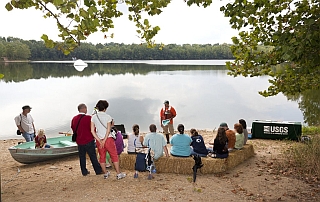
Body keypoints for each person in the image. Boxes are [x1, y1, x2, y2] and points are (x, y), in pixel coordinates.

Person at [91, 100, 126, 180]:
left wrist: (99, 140)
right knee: (114, 156)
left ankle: (105, 173)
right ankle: (118, 173)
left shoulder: (93, 117)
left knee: (102, 157)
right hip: (108, 139)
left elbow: (92, 131)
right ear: (105, 108)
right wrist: (104, 139)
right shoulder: (108, 117)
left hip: (99, 139)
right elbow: (108, 130)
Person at [71, 103, 102, 176]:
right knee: (93, 156)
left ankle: (84, 171)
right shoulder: (89, 118)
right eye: (86, 108)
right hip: (88, 140)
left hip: (79, 141)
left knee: (82, 157)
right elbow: (93, 129)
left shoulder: (74, 119)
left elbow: (73, 128)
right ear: (84, 109)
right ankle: (98, 170)